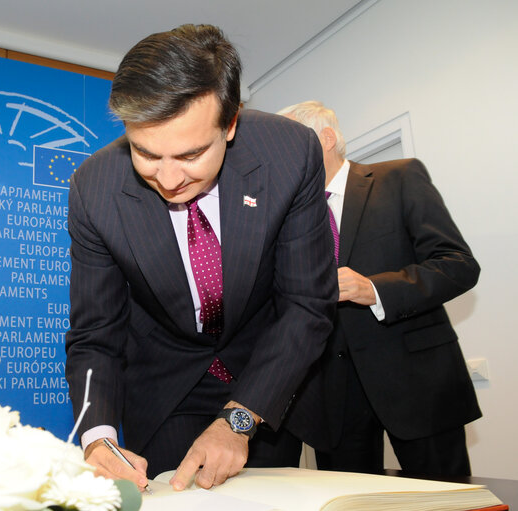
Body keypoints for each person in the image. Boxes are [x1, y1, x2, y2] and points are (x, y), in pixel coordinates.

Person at [64, 25, 337, 492]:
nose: (168, 179)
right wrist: (97, 437)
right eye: (146, 154)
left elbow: (306, 304)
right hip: (164, 385)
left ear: (230, 124)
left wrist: (238, 421)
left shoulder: (289, 154)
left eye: (190, 154)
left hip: (267, 375)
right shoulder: (95, 188)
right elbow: (96, 334)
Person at [277, 100, 481, 476]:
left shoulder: (399, 177)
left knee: (446, 500)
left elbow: (458, 265)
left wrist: (375, 289)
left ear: (325, 138)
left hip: (418, 384)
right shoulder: (289, 220)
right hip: (332, 401)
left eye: (285, 143)